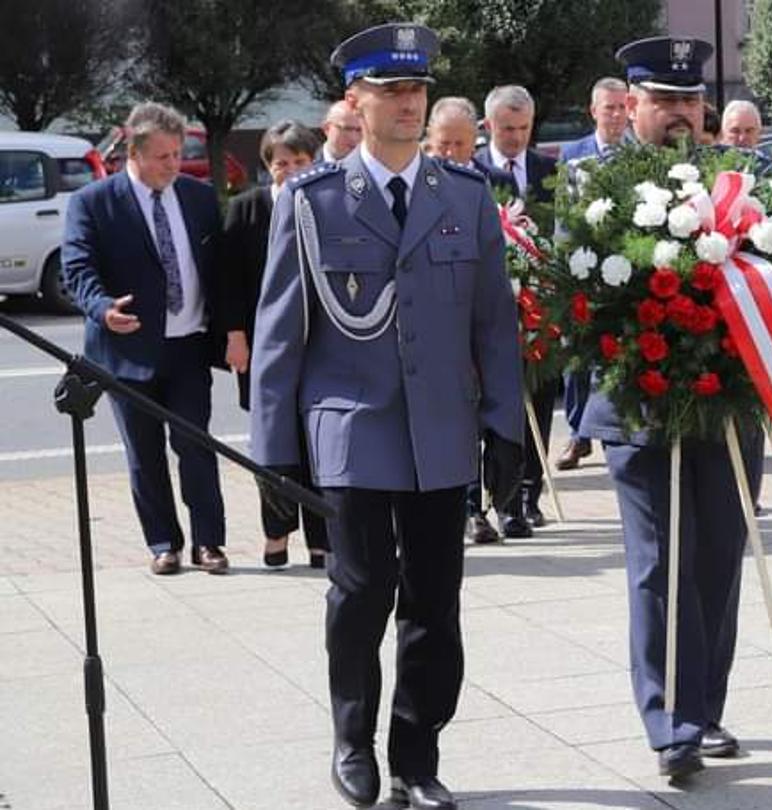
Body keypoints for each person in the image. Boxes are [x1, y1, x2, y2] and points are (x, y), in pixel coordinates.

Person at [250, 23, 520, 809]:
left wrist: (505, 428)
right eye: (392, 91)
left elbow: (493, 325)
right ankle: (351, 737)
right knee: (361, 593)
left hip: (440, 432)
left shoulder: (463, 197)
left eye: (418, 90)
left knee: (435, 604)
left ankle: (417, 755)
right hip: (353, 431)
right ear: (355, 102)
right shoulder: (312, 202)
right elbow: (280, 334)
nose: (409, 103)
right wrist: (276, 453)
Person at [577, 35, 772, 782]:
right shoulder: (592, 183)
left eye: (690, 101)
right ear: (631, 105)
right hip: (639, 405)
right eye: (663, 101)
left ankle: (707, 707)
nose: (679, 115)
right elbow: (581, 304)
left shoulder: (743, 180)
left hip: (726, 405)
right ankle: (671, 724)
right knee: (660, 561)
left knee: (720, 557)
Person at [62, 101, 233, 576]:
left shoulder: (198, 199)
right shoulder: (93, 203)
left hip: (188, 346)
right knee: (144, 455)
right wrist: (101, 309)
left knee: (196, 446)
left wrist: (234, 332)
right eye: (163, 156)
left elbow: (218, 271)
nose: (174, 165)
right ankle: (164, 542)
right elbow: (77, 269)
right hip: (127, 349)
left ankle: (209, 543)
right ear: (133, 153)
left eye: (178, 154)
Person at [219, 120, 331, 570]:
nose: (289, 170)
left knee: (318, 443)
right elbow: (227, 279)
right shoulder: (247, 208)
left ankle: (321, 538)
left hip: (318, 347)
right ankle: (276, 533)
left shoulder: (325, 205)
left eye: (299, 161)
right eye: (280, 162)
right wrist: (235, 337)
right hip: (262, 349)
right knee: (273, 444)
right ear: (268, 166)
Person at [476, 84, 561, 537]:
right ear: (489, 125)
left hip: (541, 311)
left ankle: (530, 493)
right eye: (507, 128)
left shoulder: (551, 170)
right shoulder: (473, 171)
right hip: (492, 308)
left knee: (541, 402)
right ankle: (492, 497)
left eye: (524, 128)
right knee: (494, 407)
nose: (516, 137)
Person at [556, 77, 633, 472]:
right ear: (594, 111)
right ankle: (577, 433)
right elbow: (563, 220)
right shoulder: (573, 155)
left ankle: (615, 429)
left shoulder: (639, 154)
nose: (618, 115)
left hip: (629, 271)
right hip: (585, 272)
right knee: (578, 357)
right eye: (610, 108)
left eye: (623, 107)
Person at [320, 100, 363, 164]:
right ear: (327, 128)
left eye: (359, 130)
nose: (354, 138)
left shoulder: (374, 167)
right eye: (347, 129)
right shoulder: (305, 164)